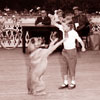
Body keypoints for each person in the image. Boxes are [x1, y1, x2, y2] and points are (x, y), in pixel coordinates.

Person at [59, 22, 86, 89]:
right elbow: (56, 24)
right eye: (63, 27)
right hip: (64, 51)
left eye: (65, 27)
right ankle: (65, 82)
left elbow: (79, 40)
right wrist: (55, 18)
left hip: (71, 51)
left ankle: (73, 82)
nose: (63, 28)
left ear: (69, 27)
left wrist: (83, 47)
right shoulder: (64, 30)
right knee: (64, 67)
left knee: (71, 67)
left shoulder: (74, 32)